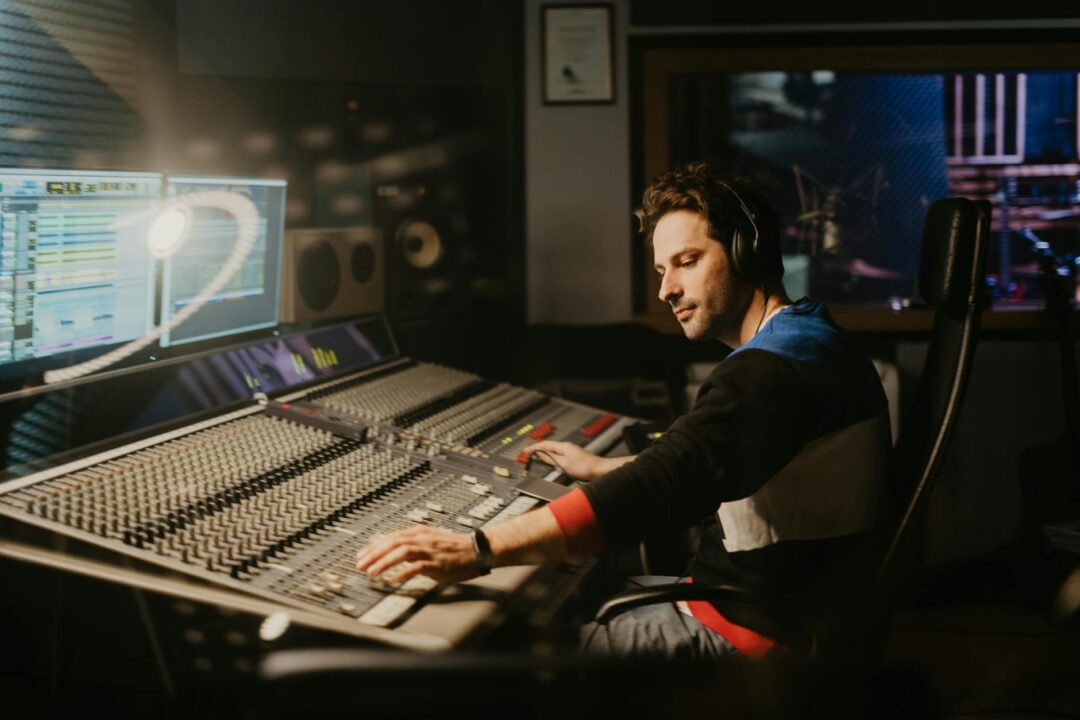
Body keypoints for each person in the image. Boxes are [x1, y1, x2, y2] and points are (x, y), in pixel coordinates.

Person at [356, 162, 891, 660]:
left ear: (749, 251)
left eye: (687, 261)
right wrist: (609, 468)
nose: (666, 289)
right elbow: (708, 463)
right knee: (552, 601)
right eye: (662, 269)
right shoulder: (809, 339)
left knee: (488, 655)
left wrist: (476, 548)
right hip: (758, 605)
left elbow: (658, 490)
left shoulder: (772, 369)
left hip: (749, 635)